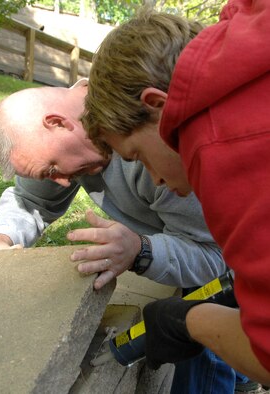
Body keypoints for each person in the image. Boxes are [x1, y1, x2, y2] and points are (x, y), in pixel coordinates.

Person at [0, 81, 255, 393]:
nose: (61, 182)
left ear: (57, 123)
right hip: (179, 235)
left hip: (227, 247)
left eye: (52, 168)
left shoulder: (156, 144)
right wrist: (0, 239)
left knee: (204, 348)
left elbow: (214, 256)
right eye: (48, 175)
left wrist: (141, 250)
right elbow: (31, 201)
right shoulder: (74, 140)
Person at [82, 0, 270, 386]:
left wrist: (188, 321)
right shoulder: (249, 40)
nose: (157, 179)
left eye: (139, 157)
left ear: (158, 106)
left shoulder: (220, 151)